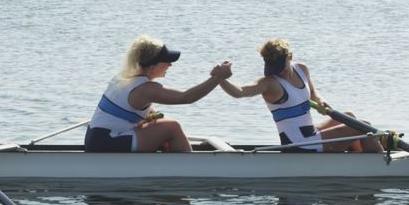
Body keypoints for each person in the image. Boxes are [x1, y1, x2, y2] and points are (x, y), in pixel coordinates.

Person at [218, 39, 383, 153]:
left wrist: (320, 100)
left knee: (348, 116)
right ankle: (379, 163)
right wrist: (220, 78)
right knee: (364, 126)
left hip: (311, 134)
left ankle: (358, 157)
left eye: (279, 66)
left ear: (290, 56)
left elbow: (312, 92)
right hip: (299, 144)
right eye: (272, 66)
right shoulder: (269, 83)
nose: (277, 71)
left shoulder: (301, 69)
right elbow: (239, 92)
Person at [84, 35, 233, 153]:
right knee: (172, 127)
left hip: (95, 139)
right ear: (153, 65)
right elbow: (187, 97)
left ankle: (175, 155)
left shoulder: (122, 79)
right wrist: (218, 78)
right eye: (167, 61)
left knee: (161, 121)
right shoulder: (146, 89)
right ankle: (192, 167)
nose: (170, 65)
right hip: (107, 142)